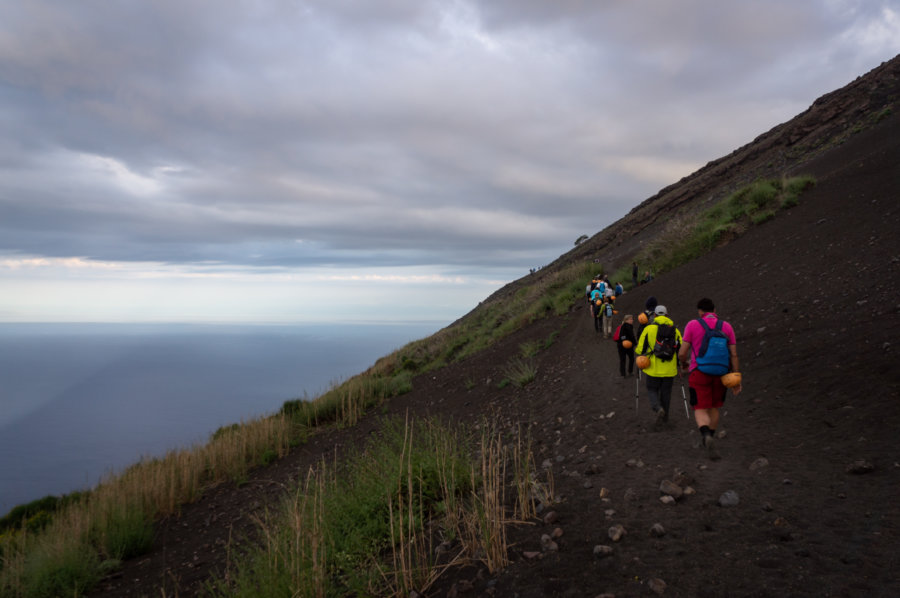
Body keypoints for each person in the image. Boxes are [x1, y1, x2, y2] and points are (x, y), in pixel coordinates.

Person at [678, 298, 742, 459]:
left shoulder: (693, 325)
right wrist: (736, 377)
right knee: (714, 406)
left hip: (699, 372)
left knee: (700, 408)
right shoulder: (726, 326)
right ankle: (711, 436)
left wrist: (684, 364)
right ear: (714, 310)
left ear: (700, 311)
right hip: (720, 373)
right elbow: (733, 354)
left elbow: (682, 352)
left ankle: (705, 434)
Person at [637, 305, 682, 429]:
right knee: (666, 393)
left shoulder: (648, 329)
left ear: (655, 316)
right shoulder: (675, 330)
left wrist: (641, 358)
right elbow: (680, 350)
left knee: (652, 389)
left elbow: (640, 349)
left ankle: (658, 408)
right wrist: (680, 365)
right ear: (667, 315)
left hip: (653, 369)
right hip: (669, 369)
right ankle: (665, 419)